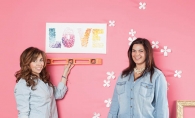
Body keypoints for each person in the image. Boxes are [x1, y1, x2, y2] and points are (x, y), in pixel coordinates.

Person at [108, 38, 169, 118]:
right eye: (134, 51)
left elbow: (162, 107)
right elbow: (115, 104)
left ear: (147, 53)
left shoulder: (157, 76)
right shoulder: (123, 75)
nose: (137, 54)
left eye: (141, 51)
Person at [14, 47, 74, 118]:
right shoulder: (23, 84)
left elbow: (59, 94)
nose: (39, 64)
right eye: (34, 61)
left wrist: (65, 73)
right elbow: (23, 113)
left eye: (41, 60)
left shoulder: (44, 81)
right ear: (27, 63)